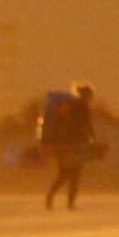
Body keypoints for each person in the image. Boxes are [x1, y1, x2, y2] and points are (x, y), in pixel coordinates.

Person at [33, 81, 101, 212]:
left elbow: (86, 127)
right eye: (89, 96)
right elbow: (87, 127)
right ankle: (60, 201)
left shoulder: (73, 107)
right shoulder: (80, 108)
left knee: (70, 174)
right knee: (69, 174)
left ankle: (62, 202)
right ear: (86, 95)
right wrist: (93, 140)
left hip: (68, 145)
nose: (90, 98)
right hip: (70, 146)